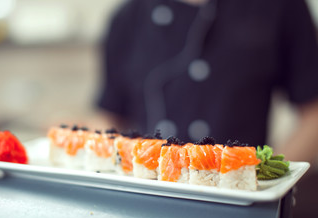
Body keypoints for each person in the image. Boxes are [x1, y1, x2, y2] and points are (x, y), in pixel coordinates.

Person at [96, 0, 318, 164]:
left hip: (242, 204)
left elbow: (313, 116)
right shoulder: (127, 17)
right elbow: (109, 118)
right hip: (147, 197)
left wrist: (266, 177)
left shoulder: (282, 6)